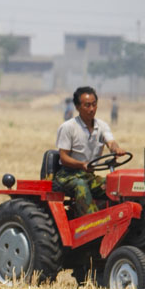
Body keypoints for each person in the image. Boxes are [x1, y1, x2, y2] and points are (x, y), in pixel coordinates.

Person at [54, 86, 127, 218]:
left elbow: (111, 142)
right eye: (87, 105)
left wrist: (116, 149)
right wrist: (82, 165)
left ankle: (120, 218)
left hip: (88, 175)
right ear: (77, 107)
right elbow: (64, 158)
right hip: (68, 176)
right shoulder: (68, 127)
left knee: (113, 185)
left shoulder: (102, 126)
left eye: (94, 105)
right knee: (80, 185)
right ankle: (93, 224)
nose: (91, 109)